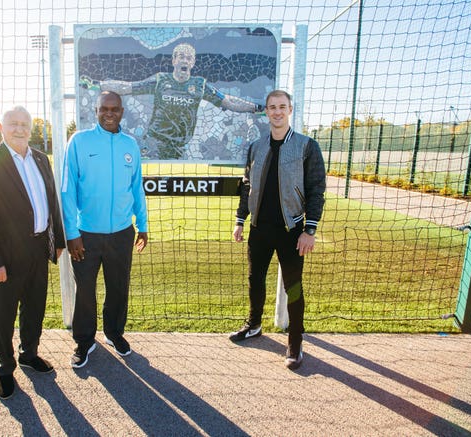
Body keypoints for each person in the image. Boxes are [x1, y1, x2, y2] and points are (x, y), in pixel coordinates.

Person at [0, 105, 66, 399]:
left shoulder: (40, 158)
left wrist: (57, 240)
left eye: (24, 124)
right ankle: (5, 368)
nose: (19, 128)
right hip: (4, 256)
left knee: (34, 308)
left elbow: (51, 202)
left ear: (31, 128)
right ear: (1, 127)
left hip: (38, 248)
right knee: (3, 315)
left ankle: (29, 354)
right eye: (13, 123)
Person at [230, 90, 326, 370]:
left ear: (290, 110)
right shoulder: (256, 146)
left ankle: (295, 341)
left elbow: (316, 189)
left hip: (292, 230)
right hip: (260, 228)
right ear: (267, 112)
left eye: (282, 107)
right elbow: (247, 185)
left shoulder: (307, 146)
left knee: (293, 287)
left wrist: (310, 229)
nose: (276, 112)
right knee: (254, 280)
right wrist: (240, 220)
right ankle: (254, 324)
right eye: (272, 107)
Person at [62, 91, 148, 369]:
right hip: (86, 234)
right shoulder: (79, 141)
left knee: (118, 287)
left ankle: (114, 333)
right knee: (85, 290)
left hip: (122, 233)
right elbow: (67, 189)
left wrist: (143, 225)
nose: (109, 114)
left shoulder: (130, 145)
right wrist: (72, 233)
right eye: (104, 109)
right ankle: (84, 341)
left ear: (122, 112)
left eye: (114, 109)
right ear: (95, 111)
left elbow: (137, 188)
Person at [81, 42, 263, 159]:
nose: (185, 60)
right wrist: (98, 84)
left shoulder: (200, 85)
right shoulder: (161, 80)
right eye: (181, 56)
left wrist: (255, 107)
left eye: (189, 58)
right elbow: (128, 87)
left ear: (193, 63)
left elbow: (228, 101)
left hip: (180, 146)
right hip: (154, 142)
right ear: (174, 60)